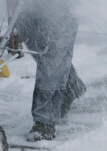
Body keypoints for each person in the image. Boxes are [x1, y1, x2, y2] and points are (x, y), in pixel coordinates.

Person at [7, 0, 86, 142]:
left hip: (62, 5)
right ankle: (70, 84)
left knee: (52, 55)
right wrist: (12, 18)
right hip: (28, 5)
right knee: (39, 48)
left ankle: (45, 122)